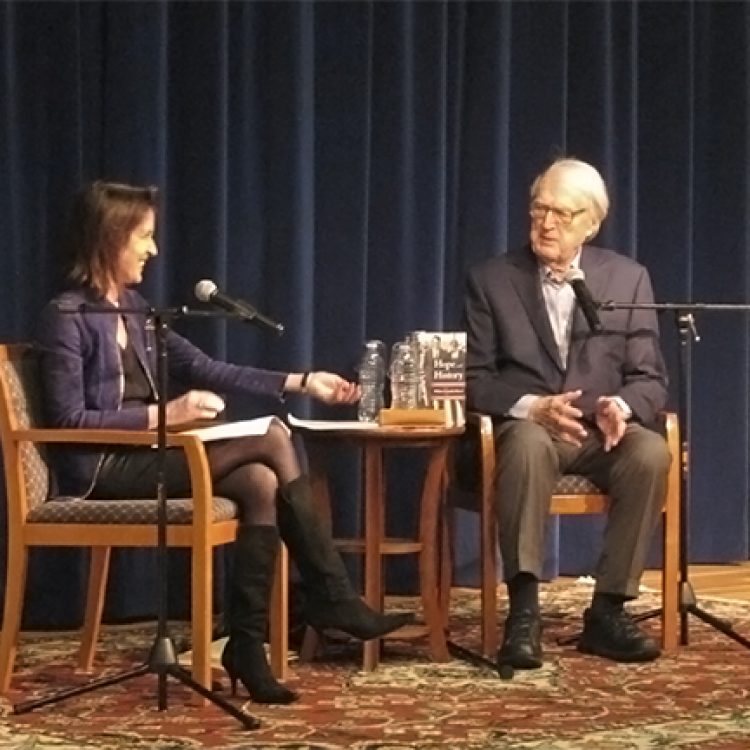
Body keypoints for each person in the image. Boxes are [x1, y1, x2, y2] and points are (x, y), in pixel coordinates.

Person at [36, 180, 413, 705]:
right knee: (274, 437)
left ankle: (248, 645)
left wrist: (301, 382)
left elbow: (209, 368)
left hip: (146, 458)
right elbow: (69, 420)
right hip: (98, 469)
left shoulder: (137, 310)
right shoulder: (69, 316)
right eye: (144, 236)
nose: (154, 249)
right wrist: (165, 413)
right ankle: (332, 595)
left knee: (260, 480)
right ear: (110, 237)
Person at [462, 158, 670, 671]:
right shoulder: (491, 279)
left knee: (651, 452)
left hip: (603, 434)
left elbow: (649, 377)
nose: (546, 223)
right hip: (532, 430)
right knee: (527, 443)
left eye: (561, 213)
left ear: (591, 223)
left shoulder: (627, 278)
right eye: (539, 209)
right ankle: (525, 614)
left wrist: (620, 406)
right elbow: (474, 377)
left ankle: (607, 612)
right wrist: (533, 406)